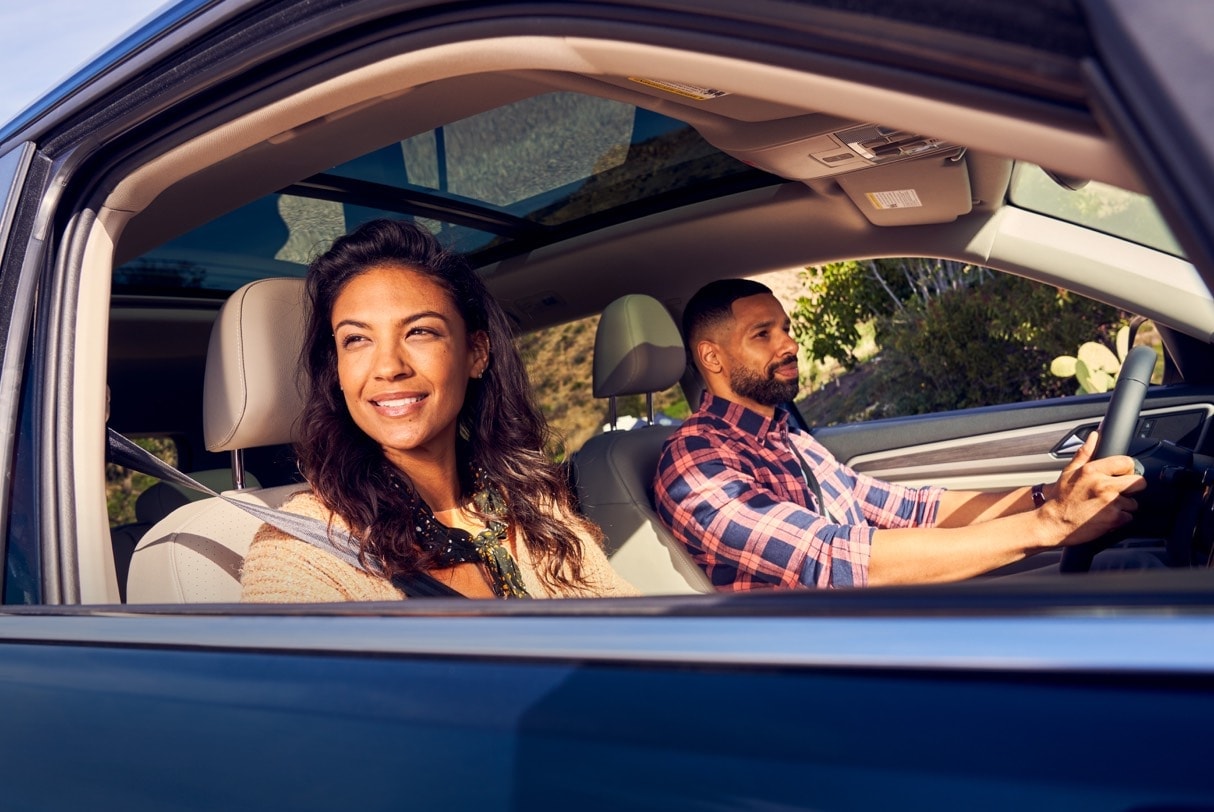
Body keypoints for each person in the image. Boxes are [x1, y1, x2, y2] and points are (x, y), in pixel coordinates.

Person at [654, 278, 1150, 590]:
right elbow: (832, 560)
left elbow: (912, 510)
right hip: (840, 663)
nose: (789, 344)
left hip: (884, 617)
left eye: (784, 328)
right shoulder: (695, 464)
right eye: (762, 334)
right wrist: (1049, 525)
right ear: (712, 358)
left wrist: (1046, 496)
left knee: (1131, 570)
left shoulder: (786, 435)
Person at [241, 219, 637, 601]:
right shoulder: (301, 550)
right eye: (357, 339)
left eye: (420, 331)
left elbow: (632, 636)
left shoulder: (533, 503)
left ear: (476, 353)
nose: (389, 367)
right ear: (338, 371)